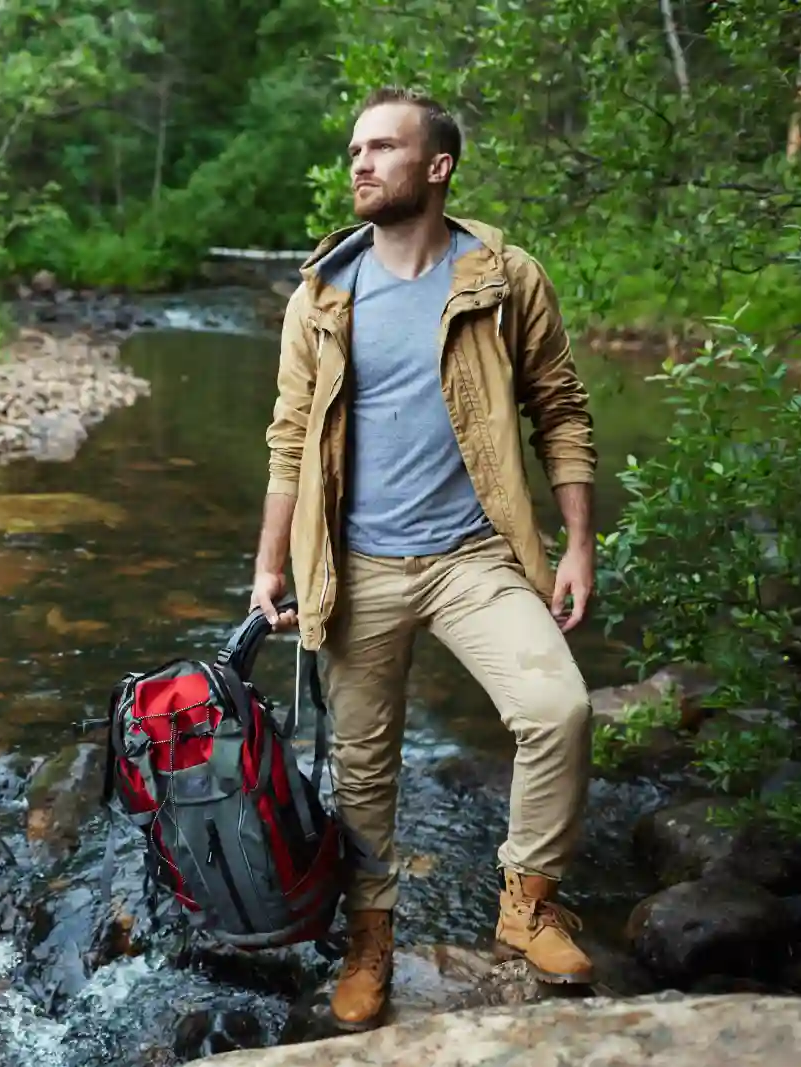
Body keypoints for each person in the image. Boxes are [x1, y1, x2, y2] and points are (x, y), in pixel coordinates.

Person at [250, 86, 598, 1032]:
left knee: (557, 709)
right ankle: (372, 936)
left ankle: (526, 900)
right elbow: (288, 439)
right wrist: (270, 565)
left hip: (475, 555)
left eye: (382, 148)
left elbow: (560, 409)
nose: (359, 163)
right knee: (363, 769)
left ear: (436, 167)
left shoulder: (503, 278)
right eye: (355, 147)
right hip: (354, 565)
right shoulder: (321, 293)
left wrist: (575, 541)